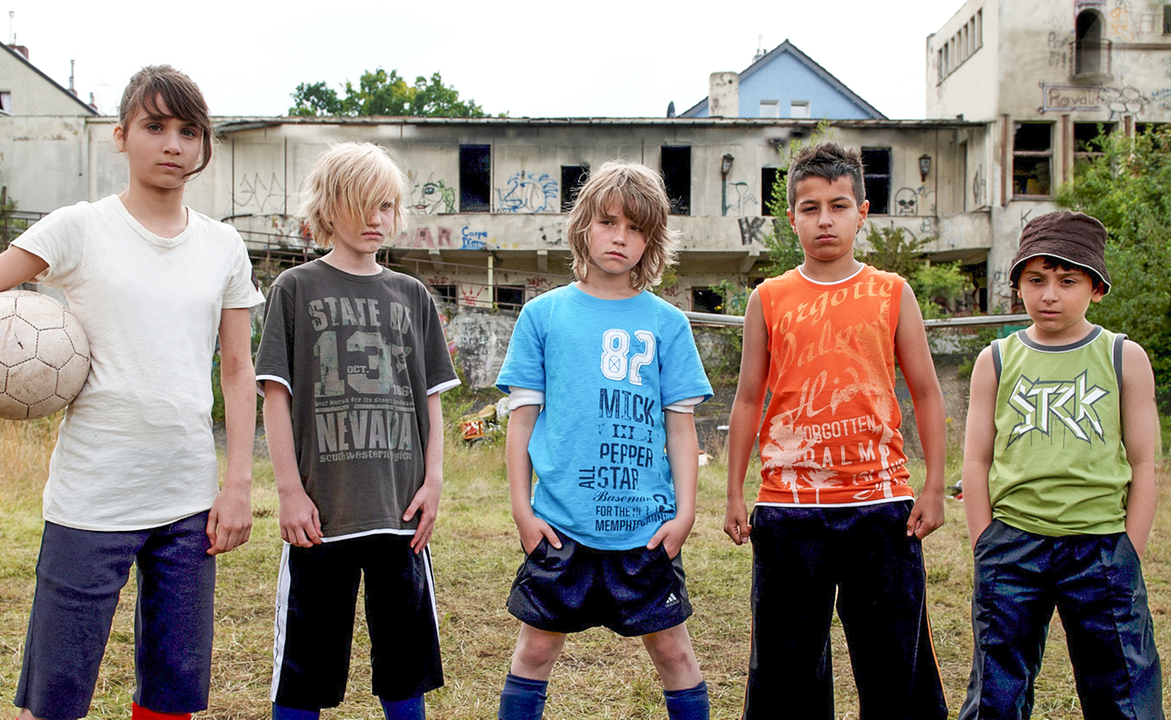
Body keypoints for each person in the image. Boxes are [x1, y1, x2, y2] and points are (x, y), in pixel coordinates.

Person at [0, 66, 262, 720]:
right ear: (120, 137)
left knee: (173, 697)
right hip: (92, 495)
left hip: (187, 498)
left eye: (189, 130)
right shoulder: (78, 229)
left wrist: (238, 484)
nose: (174, 144)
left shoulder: (223, 246)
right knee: (55, 698)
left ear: (204, 145)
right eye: (155, 127)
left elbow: (238, 371)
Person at [722, 142, 949, 719]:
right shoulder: (768, 298)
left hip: (882, 504)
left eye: (839, 205)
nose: (825, 219)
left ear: (862, 211)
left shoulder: (892, 292)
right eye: (811, 207)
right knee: (784, 669)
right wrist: (732, 493)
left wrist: (932, 487)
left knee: (893, 662)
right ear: (791, 216)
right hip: (790, 508)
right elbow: (749, 398)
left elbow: (925, 391)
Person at [494, 160, 714, 720]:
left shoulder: (668, 323)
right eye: (609, 221)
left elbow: (681, 427)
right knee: (535, 649)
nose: (621, 237)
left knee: (675, 653)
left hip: (645, 531)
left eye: (637, 227)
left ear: (653, 239)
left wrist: (685, 513)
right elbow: (520, 422)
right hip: (561, 525)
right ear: (583, 225)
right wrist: (522, 511)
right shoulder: (543, 316)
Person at [254, 142, 459, 720]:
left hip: (399, 514)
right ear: (327, 208)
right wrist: (289, 491)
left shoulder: (412, 295)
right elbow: (275, 394)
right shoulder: (294, 289)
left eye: (387, 206)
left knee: (405, 665)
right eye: (363, 205)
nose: (376, 219)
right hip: (322, 518)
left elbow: (431, 399)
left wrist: (434, 481)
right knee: (304, 671)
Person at [958, 211, 1162, 719]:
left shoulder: (1123, 356)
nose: (1050, 294)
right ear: (1018, 286)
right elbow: (977, 457)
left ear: (1095, 288)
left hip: (1100, 548)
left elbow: (1144, 462)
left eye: (1067, 281)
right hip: (1013, 547)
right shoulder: (997, 359)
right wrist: (985, 541)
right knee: (997, 694)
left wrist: (1128, 552)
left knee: (1122, 690)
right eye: (1036, 280)